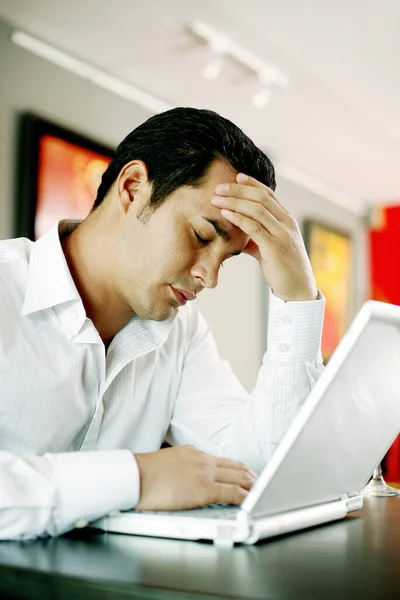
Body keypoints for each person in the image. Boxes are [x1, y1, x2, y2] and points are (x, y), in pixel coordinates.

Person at [0, 107, 324, 541]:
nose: (209, 278)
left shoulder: (182, 330)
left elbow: (257, 471)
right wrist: (135, 477)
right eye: (202, 236)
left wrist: (296, 300)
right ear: (133, 188)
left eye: (226, 258)